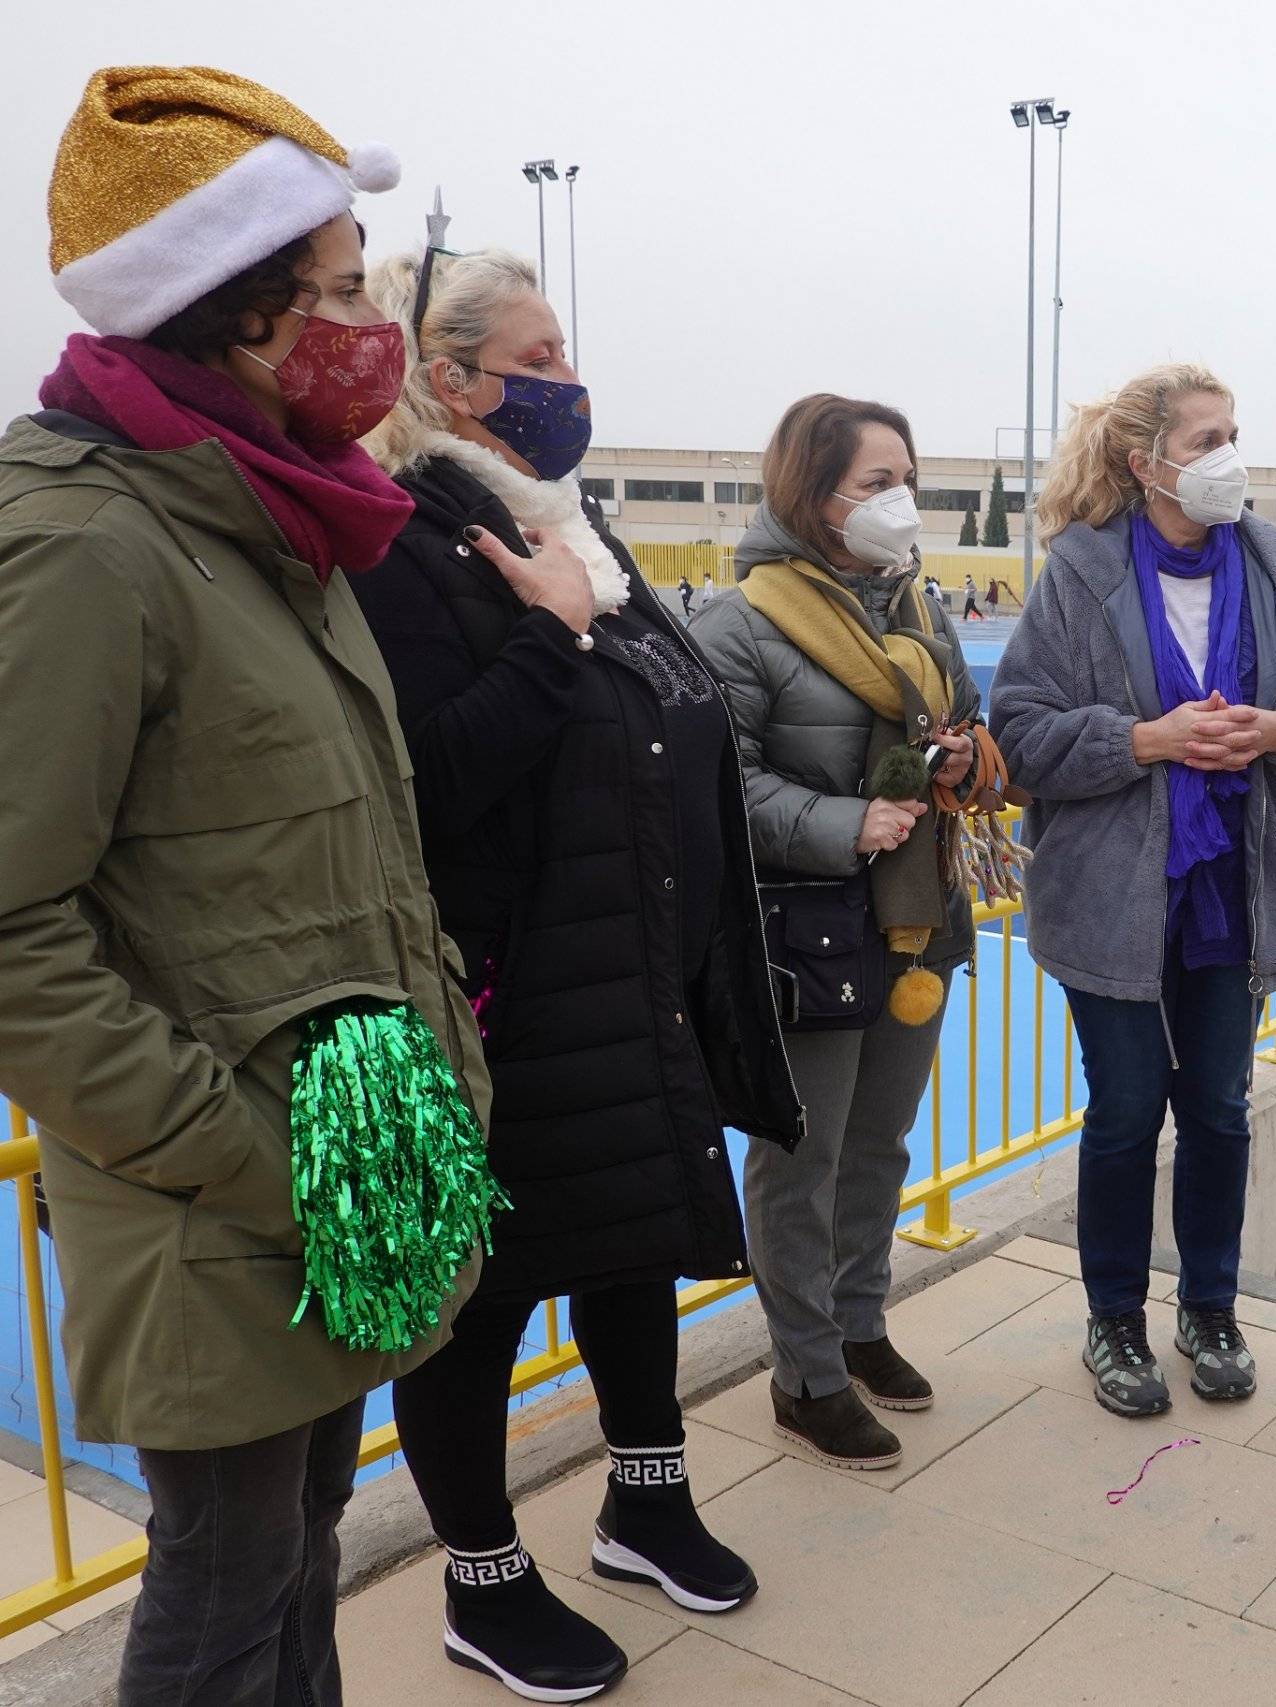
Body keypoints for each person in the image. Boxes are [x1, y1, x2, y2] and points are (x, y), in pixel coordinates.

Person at [0, 69, 499, 1703]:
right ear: (240, 314)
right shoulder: (84, 540)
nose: (373, 330)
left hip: (341, 1176)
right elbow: (14, 934)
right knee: (220, 1591)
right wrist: (254, 1161)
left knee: (304, 1553)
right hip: (227, 1204)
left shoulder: (268, 511)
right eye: (346, 292)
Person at [357, 244, 800, 1701]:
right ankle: (481, 1582)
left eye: (563, 354)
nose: (567, 382)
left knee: (631, 1242)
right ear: (453, 377)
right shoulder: (420, 535)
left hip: (628, 978)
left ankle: (645, 1496)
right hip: (507, 999)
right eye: (537, 358)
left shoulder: (570, 523)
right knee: (477, 1299)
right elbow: (426, 779)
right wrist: (549, 636)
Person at [990, 363, 1276, 1418]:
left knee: (1217, 1108)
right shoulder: (1080, 571)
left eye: (1232, 433)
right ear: (1141, 459)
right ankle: (1113, 1321)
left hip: (1236, 887)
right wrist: (1145, 739)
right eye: (1205, 440)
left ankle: (1209, 1306)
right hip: (1115, 893)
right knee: (1121, 1112)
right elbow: (1020, 731)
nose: (1225, 458)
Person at [691, 395, 979, 1470]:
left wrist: (957, 759)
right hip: (803, 939)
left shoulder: (914, 605)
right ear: (812, 495)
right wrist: (841, 823)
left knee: (879, 1146)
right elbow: (723, 785)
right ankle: (803, 1373)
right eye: (875, 482)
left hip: (915, 922)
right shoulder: (740, 623)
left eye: (907, 477)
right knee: (797, 1164)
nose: (899, 501)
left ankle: (861, 1325)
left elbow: (959, 722)